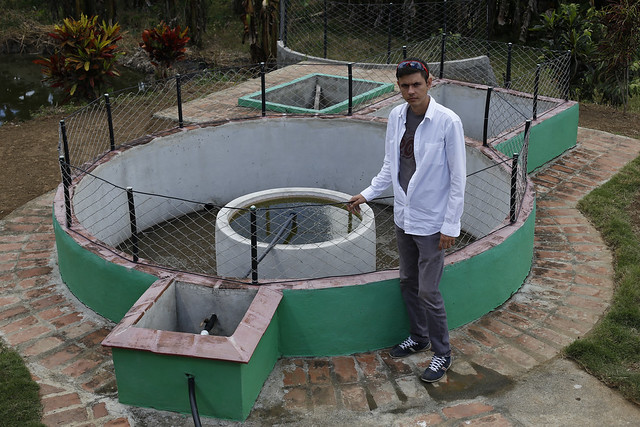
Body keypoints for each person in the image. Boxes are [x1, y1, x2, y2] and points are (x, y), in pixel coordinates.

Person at [348, 58, 466, 383]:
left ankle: (442, 354)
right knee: (407, 283)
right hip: (404, 217)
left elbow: (458, 178)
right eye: (404, 86)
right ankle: (419, 336)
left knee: (429, 291)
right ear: (398, 87)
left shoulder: (447, 122)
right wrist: (368, 193)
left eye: (416, 84)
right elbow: (391, 164)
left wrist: (450, 225)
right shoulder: (396, 116)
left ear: (430, 82)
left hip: (432, 224)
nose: (411, 91)